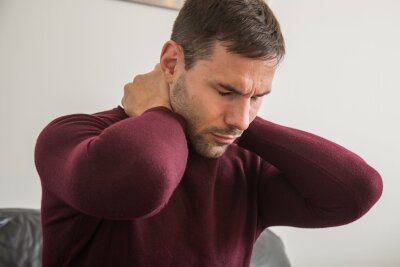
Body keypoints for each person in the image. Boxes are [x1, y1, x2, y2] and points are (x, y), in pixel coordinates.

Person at [34, 0, 383, 266]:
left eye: (257, 97)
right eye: (226, 91)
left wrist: (244, 126)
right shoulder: (73, 137)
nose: (241, 119)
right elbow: (145, 181)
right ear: (171, 64)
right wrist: (160, 112)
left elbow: (357, 191)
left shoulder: (247, 167)